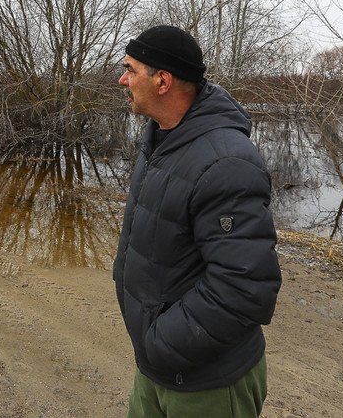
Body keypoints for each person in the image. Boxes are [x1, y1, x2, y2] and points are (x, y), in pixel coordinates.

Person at [113, 25, 281, 418]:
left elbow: (244, 288)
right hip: (155, 370)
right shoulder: (158, 140)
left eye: (130, 69)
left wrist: (160, 342)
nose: (122, 79)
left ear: (163, 81)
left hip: (208, 385)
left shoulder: (226, 162)